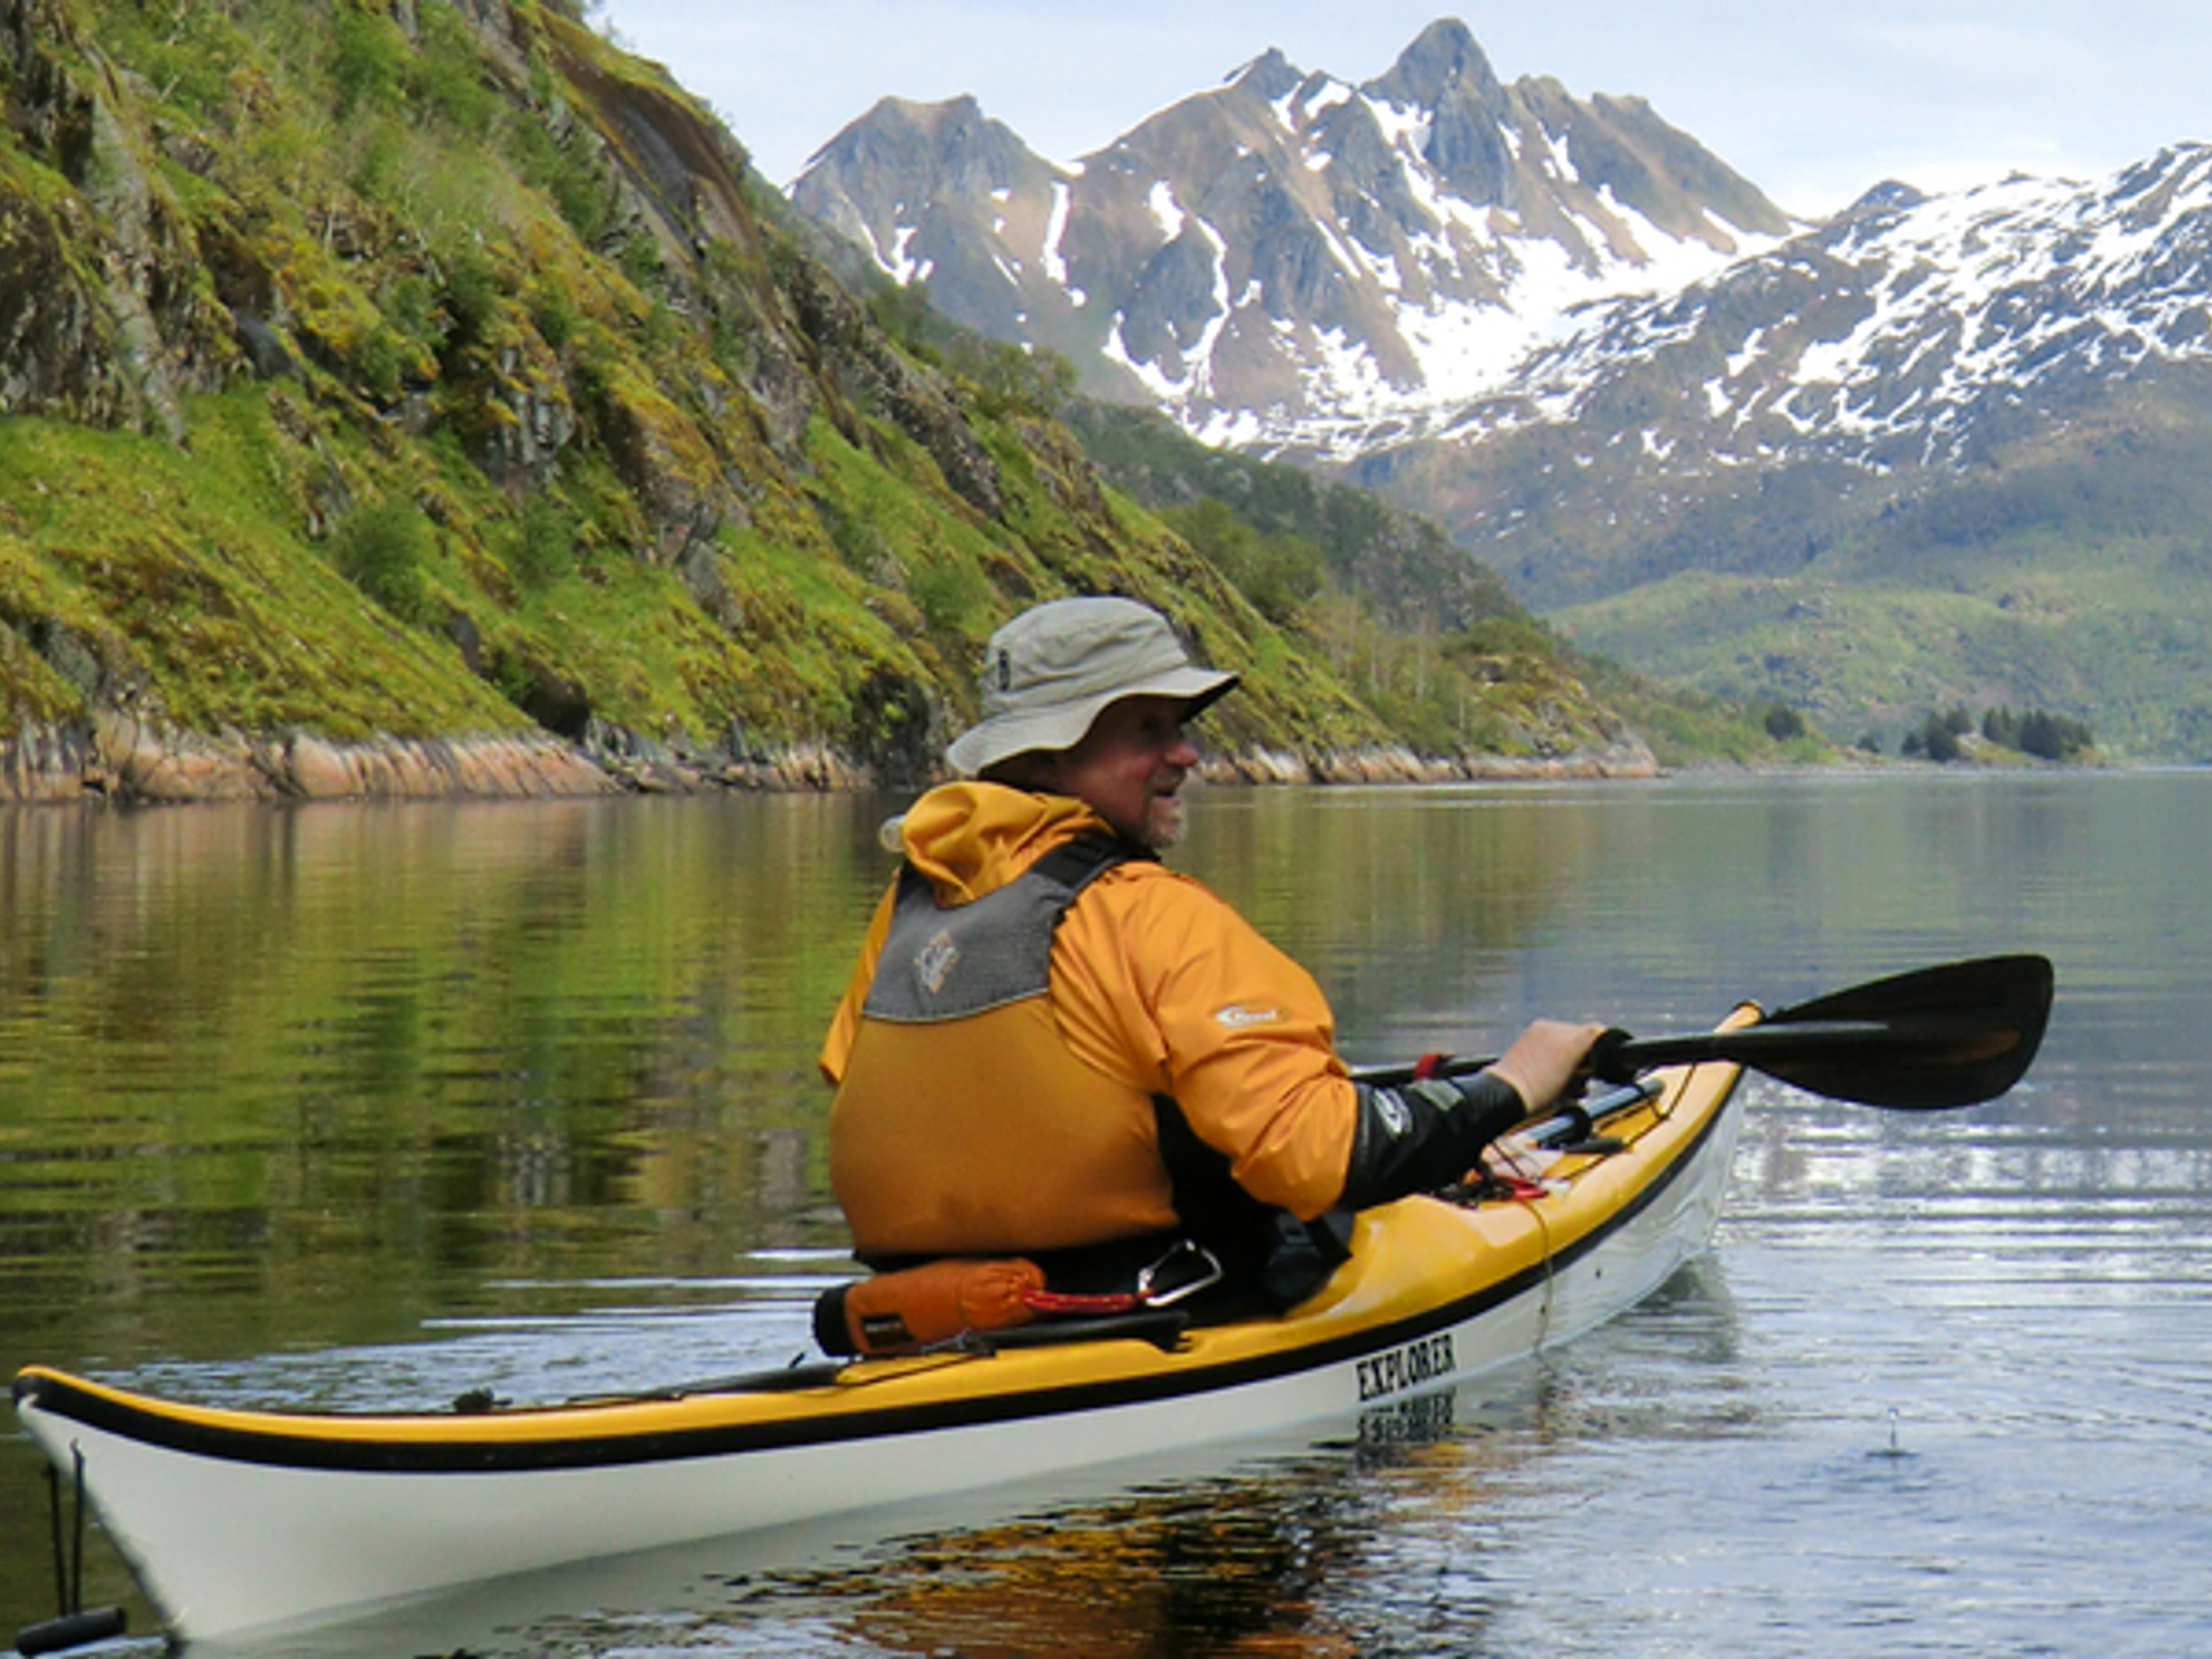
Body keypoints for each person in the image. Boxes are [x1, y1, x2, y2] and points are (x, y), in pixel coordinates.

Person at [818, 594, 1602, 1316]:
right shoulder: (1149, 911)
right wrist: (1514, 1084)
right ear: (1050, 756)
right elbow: (1325, 1159)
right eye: (1148, 730)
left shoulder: (913, 906)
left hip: (930, 1319)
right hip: (1164, 1311)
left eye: (1180, 727)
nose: (1187, 755)